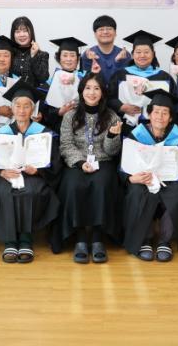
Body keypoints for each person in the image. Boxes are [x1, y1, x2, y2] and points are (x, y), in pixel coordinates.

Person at [0, 82, 62, 263]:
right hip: (6, 175)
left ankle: (26, 239)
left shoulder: (45, 134)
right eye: (18, 106)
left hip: (33, 175)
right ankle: (10, 242)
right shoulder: (0, 133)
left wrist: (38, 170)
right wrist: (1, 172)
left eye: (26, 106)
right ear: (12, 109)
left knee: (31, 191)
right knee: (2, 191)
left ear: (32, 109)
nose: (21, 110)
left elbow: (54, 163)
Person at [121, 89, 178, 262]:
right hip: (144, 178)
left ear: (170, 117)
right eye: (156, 112)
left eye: (165, 113)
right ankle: (144, 239)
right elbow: (125, 164)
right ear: (149, 114)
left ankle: (165, 240)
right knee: (137, 191)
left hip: (171, 179)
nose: (160, 117)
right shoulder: (137, 134)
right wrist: (130, 178)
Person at [57, 73, 122, 263]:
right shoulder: (70, 115)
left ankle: (97, 238)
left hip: (103, 161)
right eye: (88, 88)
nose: (92, 93)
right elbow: (66, 145)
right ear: (81, 91)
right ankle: (80, 237)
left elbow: (112, 151)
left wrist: (112, 136)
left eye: (96, 88)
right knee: (73, 185)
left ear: (102, 93)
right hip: (77, 162)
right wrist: (79, 162)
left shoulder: (112, 116)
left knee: (102, 184)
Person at [107, 30, 177, 129]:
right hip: (125, 126)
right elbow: (109, 97)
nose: (142, 55)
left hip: (156, 127)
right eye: (138, 52)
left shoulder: (164, 77)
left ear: (153, 54)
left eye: (146, 52)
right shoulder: (120, 75)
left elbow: (173, 103)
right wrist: (120, 106)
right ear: (133, 54)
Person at [39, 36, 101, 133]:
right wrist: (59, 112)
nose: (68, 59)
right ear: (59, 58)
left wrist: (94, 75)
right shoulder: (49, 85)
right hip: (58, 129)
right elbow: (43, 113)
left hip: (83, 127)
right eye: (65, 55)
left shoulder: (85, 79)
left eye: (72, 55)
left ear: (78, 58)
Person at [0, 17, 49, 86]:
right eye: (17, 32)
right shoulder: (9, 52)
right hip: (9, 92)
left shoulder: (42, 55)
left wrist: (34, 56)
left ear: (31, 32)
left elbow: (43, 79)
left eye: (25, 31)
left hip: (32, 92)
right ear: (13, 34)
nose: (21, 35)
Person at [80, 15, 132, 85]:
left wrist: (118, 62)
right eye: (101, 29)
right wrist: (88, 61)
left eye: (109, 29)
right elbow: (85, 83)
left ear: (115, 33)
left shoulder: (124, 55)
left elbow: (124, 83)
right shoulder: (88, 55)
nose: (105, 32)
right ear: (95, 34)